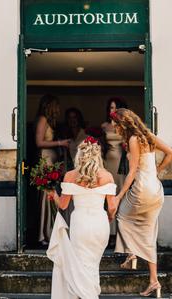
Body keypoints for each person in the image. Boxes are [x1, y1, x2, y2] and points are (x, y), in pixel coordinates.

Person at [111, 108, 172, 298]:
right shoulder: (147, 135)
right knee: (148, 232)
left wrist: (119, 195)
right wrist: (158, 171)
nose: (113, 126)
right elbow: (170, 152)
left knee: (122, 215)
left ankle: (131, 254)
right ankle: (154, 281)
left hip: (142, 189)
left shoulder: (133, 140)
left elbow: (131, 173)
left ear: (123, 124)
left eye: (115, 123)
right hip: (156, 190)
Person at [46, 136, 117, 299]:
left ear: (80, 155)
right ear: (97, 155)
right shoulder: (107, 176)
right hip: (100, 224)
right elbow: (112, 207)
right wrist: (109, 218)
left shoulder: (70, 176)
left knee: (80, 265)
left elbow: (63, 206)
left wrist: (52, 194)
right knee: (92, 265)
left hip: (81, 225)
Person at [35, 94, 70, 246]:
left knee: (52, 196)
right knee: (47, 196)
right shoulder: (43, 119)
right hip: (46, 161)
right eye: (56, 105)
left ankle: (50, 231)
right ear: (50, 106)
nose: (58, 109)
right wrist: (60, 142)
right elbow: (39, 142)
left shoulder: (50, 121)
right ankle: (44, 234)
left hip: (53, 161)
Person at [101, 98, 127, 245]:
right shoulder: (104, 126)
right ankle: (109, 233)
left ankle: (120, 233)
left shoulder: (125, 126)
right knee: (108, 196)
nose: (112, 111)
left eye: (115, 108)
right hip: (108, 164)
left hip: (121, 164)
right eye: (111, 108)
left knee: (120, 196)